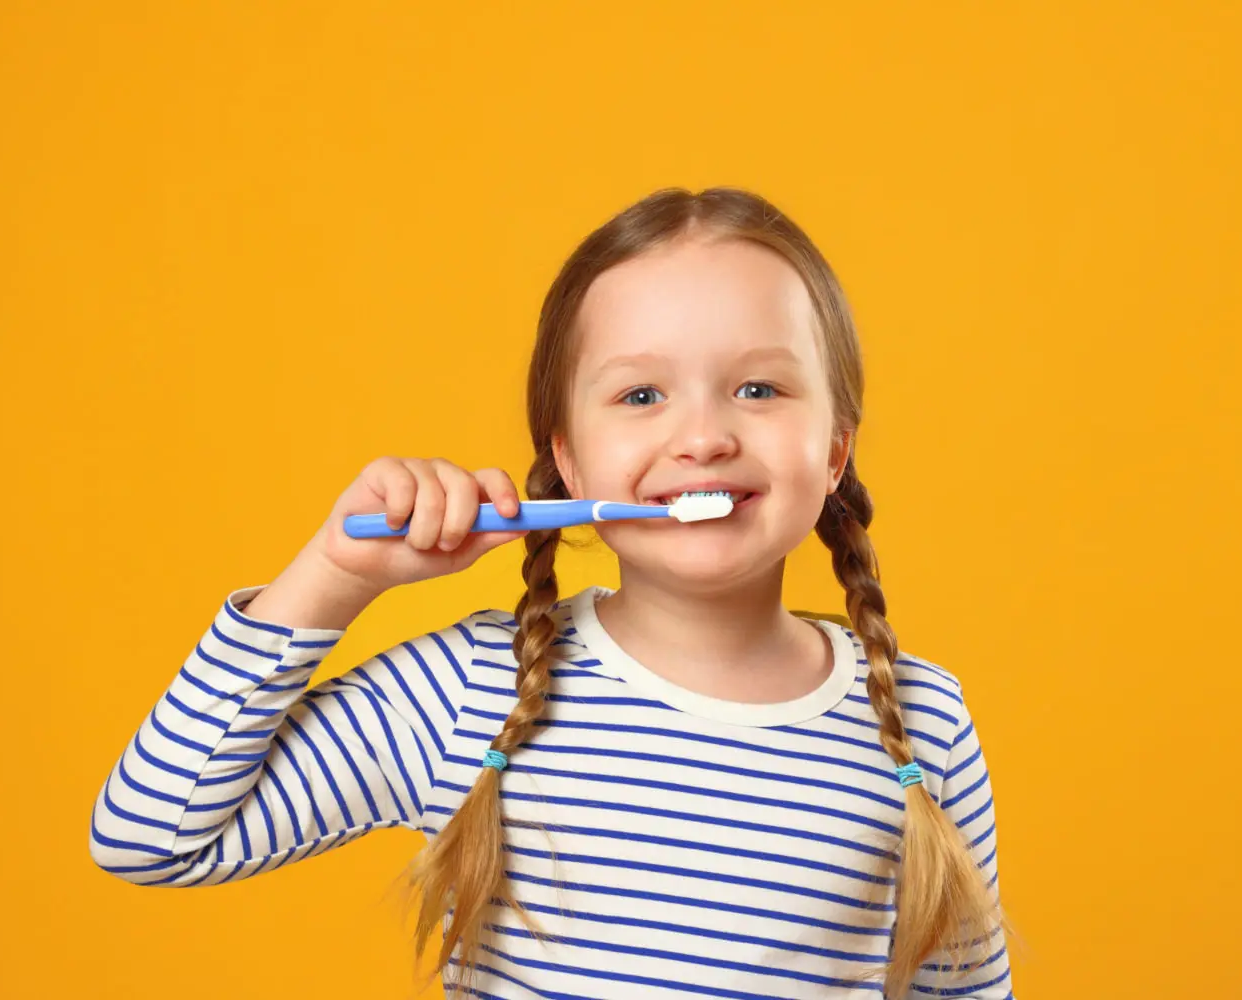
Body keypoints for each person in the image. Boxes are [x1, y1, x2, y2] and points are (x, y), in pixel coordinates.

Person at [89, 187, 1014, 999]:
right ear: (566, 459)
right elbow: (152, 836)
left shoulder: (923, 722)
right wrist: (335, 576)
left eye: (759, 388)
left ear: (835, 450)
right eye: (642, 396)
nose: (703, 437)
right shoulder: (474, 692)